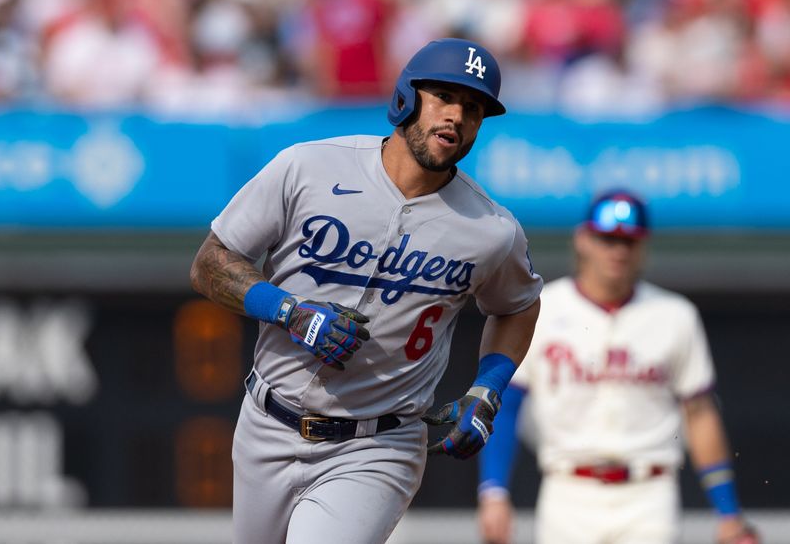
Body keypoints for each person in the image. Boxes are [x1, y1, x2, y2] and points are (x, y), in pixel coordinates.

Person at [189, 37, 542, 544]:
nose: (457, 116)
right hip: (266, 422)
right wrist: (288, 310)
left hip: (380, 443)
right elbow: (210, 263)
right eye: (443, 95)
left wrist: (487, 391)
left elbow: (520, 306)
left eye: (473, 107)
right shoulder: (308, 167)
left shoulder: (491, 229)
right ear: (406, 96)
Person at [477, 190, 759, 544]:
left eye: (629, 241)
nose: (618, 250)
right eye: (607, 238)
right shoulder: (543, 309)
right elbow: (506, 407)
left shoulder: (674, 315)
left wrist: (729, 513)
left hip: (649, 494)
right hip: (568, 493)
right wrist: (494, 492)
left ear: (643, 246)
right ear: (583, 239)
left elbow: (700, 413)